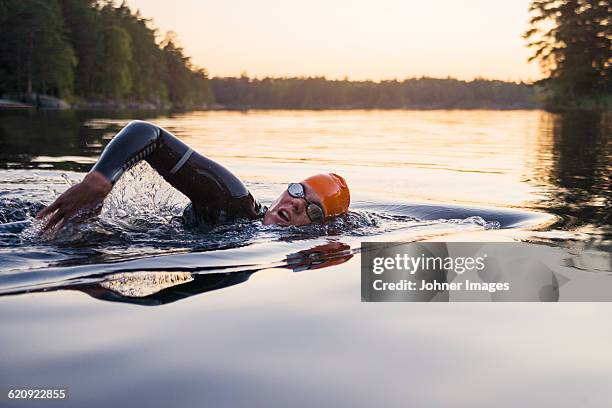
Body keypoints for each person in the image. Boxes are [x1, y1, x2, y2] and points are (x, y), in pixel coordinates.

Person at [36, 120, 350, 231]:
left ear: (319, 227)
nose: (296, 204)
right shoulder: (234, 201)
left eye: (311, 209)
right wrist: (99, 180)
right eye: (298, 191)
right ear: (285, 190)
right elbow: (149, 134)